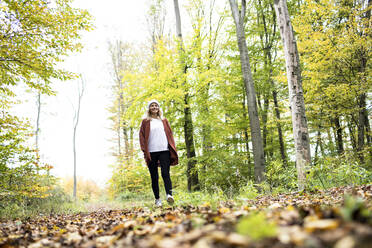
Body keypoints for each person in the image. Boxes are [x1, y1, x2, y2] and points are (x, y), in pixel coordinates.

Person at [139, 100, 178, 207]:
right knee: (154, 176)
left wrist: (172, 148)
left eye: (156, 105)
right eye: (152, 106)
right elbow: (142, 137)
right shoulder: (145, 122)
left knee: (166, 173)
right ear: (149, 108)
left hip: (164, 150)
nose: (154, 107)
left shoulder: (164, 121)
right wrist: (144, 150)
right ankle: (157, 199)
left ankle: (169, 195)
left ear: (158, 108)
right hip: (151, 152)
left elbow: (170, 135)